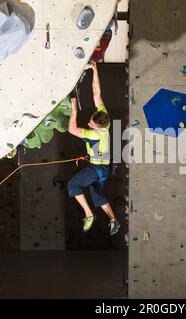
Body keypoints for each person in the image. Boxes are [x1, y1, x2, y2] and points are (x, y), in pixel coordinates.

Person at [67, 62, 120, 236]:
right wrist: (95, 70)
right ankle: (113, 220)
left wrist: (74, 110)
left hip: (98, 168)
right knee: (96, 194)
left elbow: (72, 130)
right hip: (103, 168)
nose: (89, 122)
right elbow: (97, 93)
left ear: (98, 126)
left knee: (73, 186)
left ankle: (89, 214)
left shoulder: (95, 135)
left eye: (91, 123)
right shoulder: (105, 119)